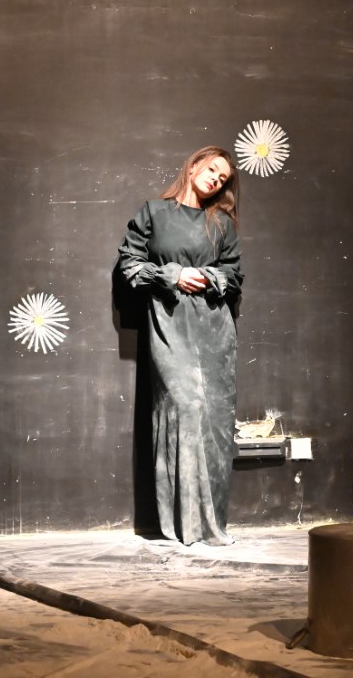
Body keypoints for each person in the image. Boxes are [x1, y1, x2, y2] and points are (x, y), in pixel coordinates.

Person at [116, 145, 243, 546]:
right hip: (169, 321)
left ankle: (210, 525)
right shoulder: (154, 212)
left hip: (214, 329)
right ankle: (184, 523)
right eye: (212, 170)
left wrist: (207, 278)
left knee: (212, 421)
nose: (216, 180)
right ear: (193, 167)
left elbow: (234, 275)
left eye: (222, 179)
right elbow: (129, 265)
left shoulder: (221, 224)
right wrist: (172, 275)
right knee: (185, 408)